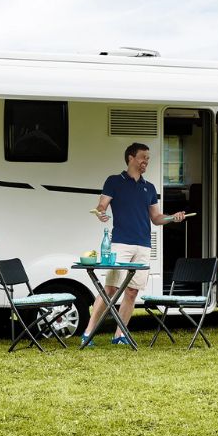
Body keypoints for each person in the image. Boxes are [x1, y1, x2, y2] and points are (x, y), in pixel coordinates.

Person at [80, 142, 185, 347]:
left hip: (143, 246)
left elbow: (156, 218)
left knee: (132, 292)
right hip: (120, 244)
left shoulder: (150, 187)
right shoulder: (114, 181)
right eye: (143, 157)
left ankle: (120, 335)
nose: (146, 161)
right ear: (130, 158)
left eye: (148, 158)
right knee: (109, 290)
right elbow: (102, 204)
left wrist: (173, 218)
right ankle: (88, 332)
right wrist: (101, 211)